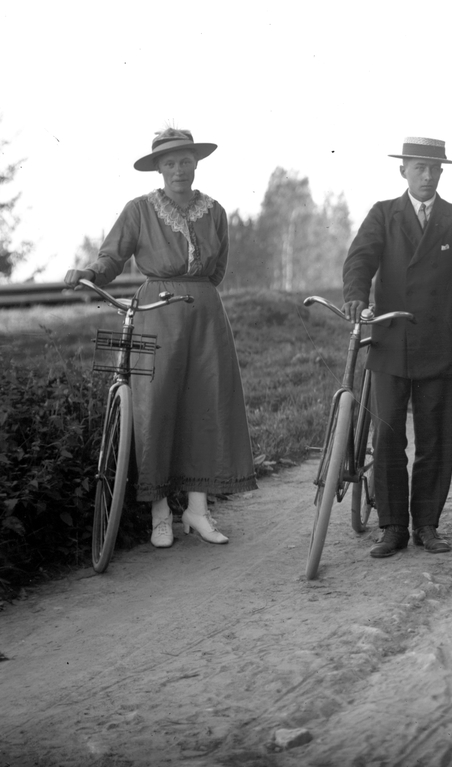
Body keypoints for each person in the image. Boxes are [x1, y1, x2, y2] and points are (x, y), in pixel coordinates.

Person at [64, 127, 257, 548]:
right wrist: (90, 273)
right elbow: (112, 255)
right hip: (157, 313)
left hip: (206, 314)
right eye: (170, 163)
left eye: (185, 160)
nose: (179, 169)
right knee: (156, 404)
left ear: (196, 163)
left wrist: (195, 291)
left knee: (207, 402)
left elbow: (217, 268)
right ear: (158, 168)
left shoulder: (215, 211)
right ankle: (160, 513)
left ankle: (198, 510)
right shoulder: (139, 210)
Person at [342, 137, 452, 558]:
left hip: (437, 342)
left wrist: (440, 310)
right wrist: (356, 295)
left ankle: (426, 524)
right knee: (387, 437)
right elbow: (360, 259)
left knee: (434, 438)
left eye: (435, 168)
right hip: (390, 342)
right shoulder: (384, 214)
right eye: (419, 167)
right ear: (403, 170)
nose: (428, 175)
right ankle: (392, 527)